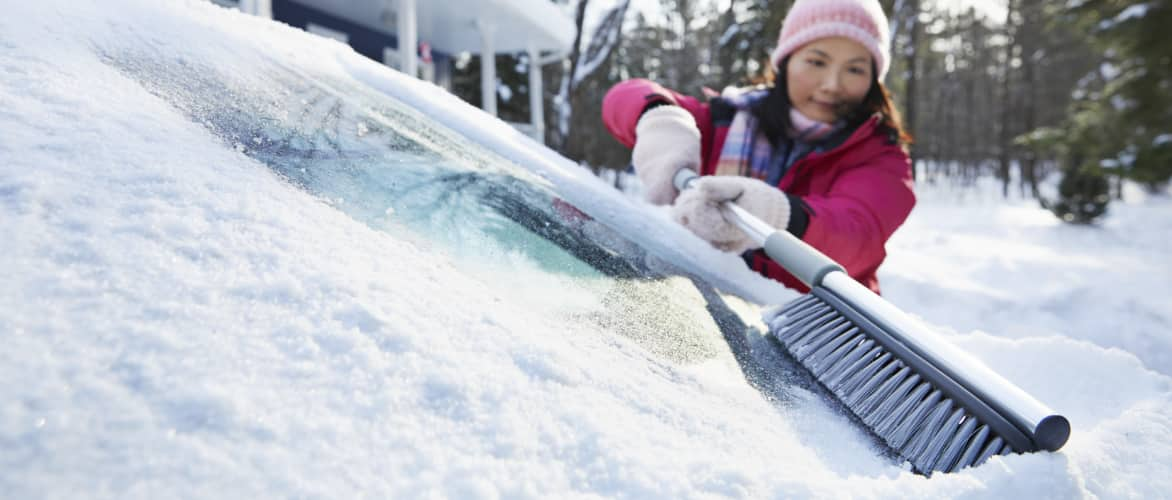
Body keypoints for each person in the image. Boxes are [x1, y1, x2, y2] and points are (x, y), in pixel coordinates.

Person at [601, 0, 915, 294]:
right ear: (787, 62)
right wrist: (657, 117)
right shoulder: (725, 119)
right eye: (817, 61)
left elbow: (856, 234)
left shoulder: (882, 157)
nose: (832, 84)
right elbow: (625, 96)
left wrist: (775, 215)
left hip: (814, 336)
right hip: (697, 306)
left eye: (855, 69)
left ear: (873, 80)